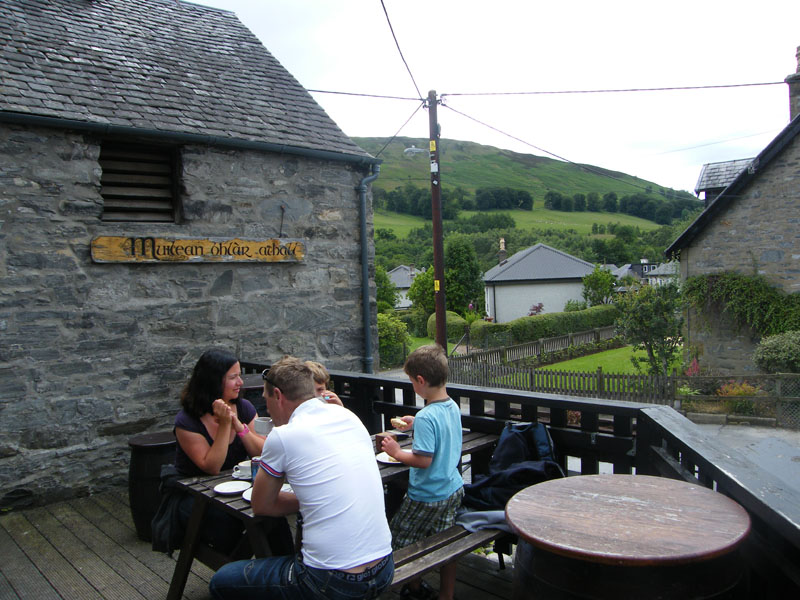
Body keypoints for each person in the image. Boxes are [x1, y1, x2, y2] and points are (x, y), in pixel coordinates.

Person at [209, 356, 394, 600]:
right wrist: (316, 498)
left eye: (266, 401)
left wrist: (309, 499)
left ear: (278, 395)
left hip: (331, 581)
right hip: (384, 569)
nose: (267, 409)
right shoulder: (350, 418)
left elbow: (261, 505)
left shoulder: (284, 436)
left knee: (221, 581)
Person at [381, 344, 464, 600]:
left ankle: (414, 588)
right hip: (452, 489)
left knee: (400, 541)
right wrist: (415, 422)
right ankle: (446, 595)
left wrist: (395, 451)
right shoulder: (451, 407)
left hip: (426, 495)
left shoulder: (428, 416)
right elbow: (440, 434)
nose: (412, 387)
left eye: (411, 381)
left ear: (420, 380)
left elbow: (422, 460)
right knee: (445, 544)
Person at [172, 348, 268, 553]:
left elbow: (261, 453)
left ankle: (279, 571)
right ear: (213, 381)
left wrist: (240, 428)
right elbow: (211, 467)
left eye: (239, 376)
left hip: (236, 486)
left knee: (271, 517)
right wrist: (225, 425)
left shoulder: (244, 407)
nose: (240, 382)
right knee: (229, 523)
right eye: (233, 377)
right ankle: (234, 574)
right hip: (195, 493)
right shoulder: (187, 420)